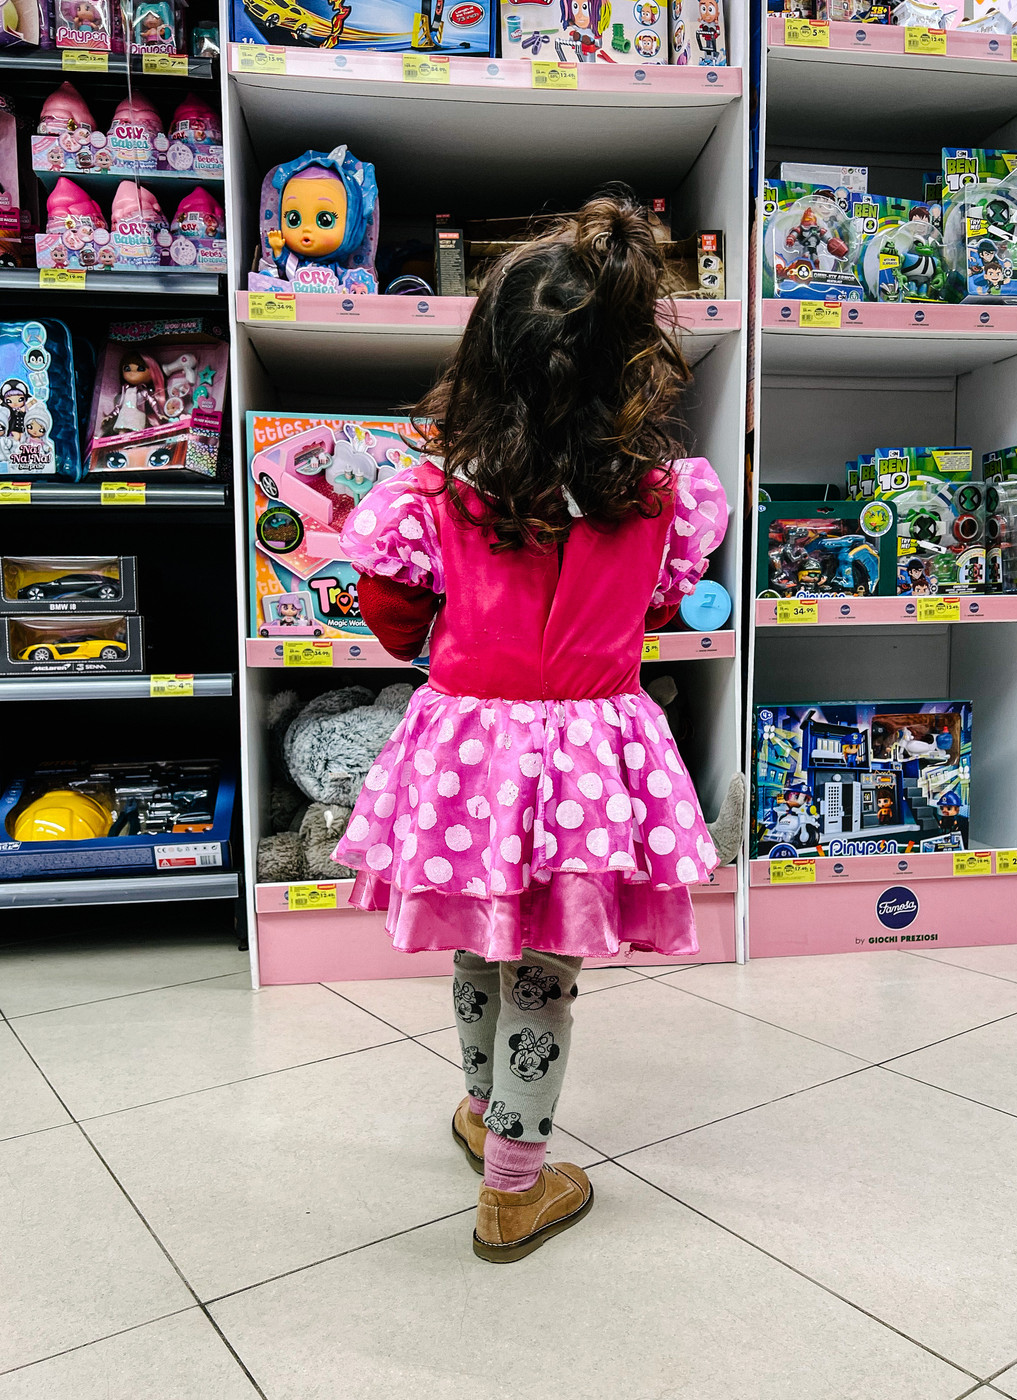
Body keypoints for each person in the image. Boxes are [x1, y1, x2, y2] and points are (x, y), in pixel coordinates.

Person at [334, 189, 730, 1264]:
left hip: (469, 753)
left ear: (485, 353)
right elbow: (659, 608)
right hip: (592, 753)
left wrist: (459, 644)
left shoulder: (434, 493)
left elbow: (390, 615)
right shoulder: (664, 498)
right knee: (546, 968)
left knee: (479, 934)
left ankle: (485, 1118)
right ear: (633, 363)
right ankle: (514, 1183)